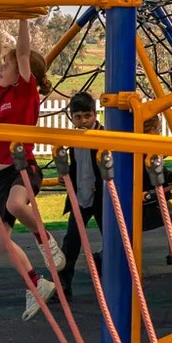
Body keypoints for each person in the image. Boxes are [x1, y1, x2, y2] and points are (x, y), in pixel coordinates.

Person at [0, 21, 57, 318]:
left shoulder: (26, 93)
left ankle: (44, 239)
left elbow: (24, 54)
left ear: (23, 74)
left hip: (22, 168)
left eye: (7, 66)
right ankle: (37, 283)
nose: (1, 69)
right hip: (3, 176)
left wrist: (23, 17)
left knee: (16, 205)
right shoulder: (2, 92)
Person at [54, 89, 105, 301]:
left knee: (114, 239)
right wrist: (66, 177)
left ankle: (107, 267)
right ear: (71, 118)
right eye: (78, 117)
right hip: (81, 197)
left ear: (95, 115)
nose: (83, 121)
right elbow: (79, 166)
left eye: (87, 116)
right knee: (71, 242)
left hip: (102, 199)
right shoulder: (74, 140)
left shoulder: (103, 136)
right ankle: (63, 286)